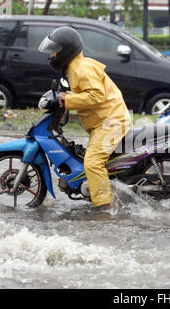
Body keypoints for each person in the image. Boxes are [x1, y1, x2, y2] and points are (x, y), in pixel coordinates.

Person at [38, 27, 131, 211]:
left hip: (111, 123)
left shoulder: (81, 68)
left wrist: (67, 99)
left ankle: (105, 207)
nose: (52, 54)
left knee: (92, 162)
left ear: (66, 51)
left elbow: (97, 97)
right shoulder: (74, 67)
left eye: (55, 50)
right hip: (104, 122)